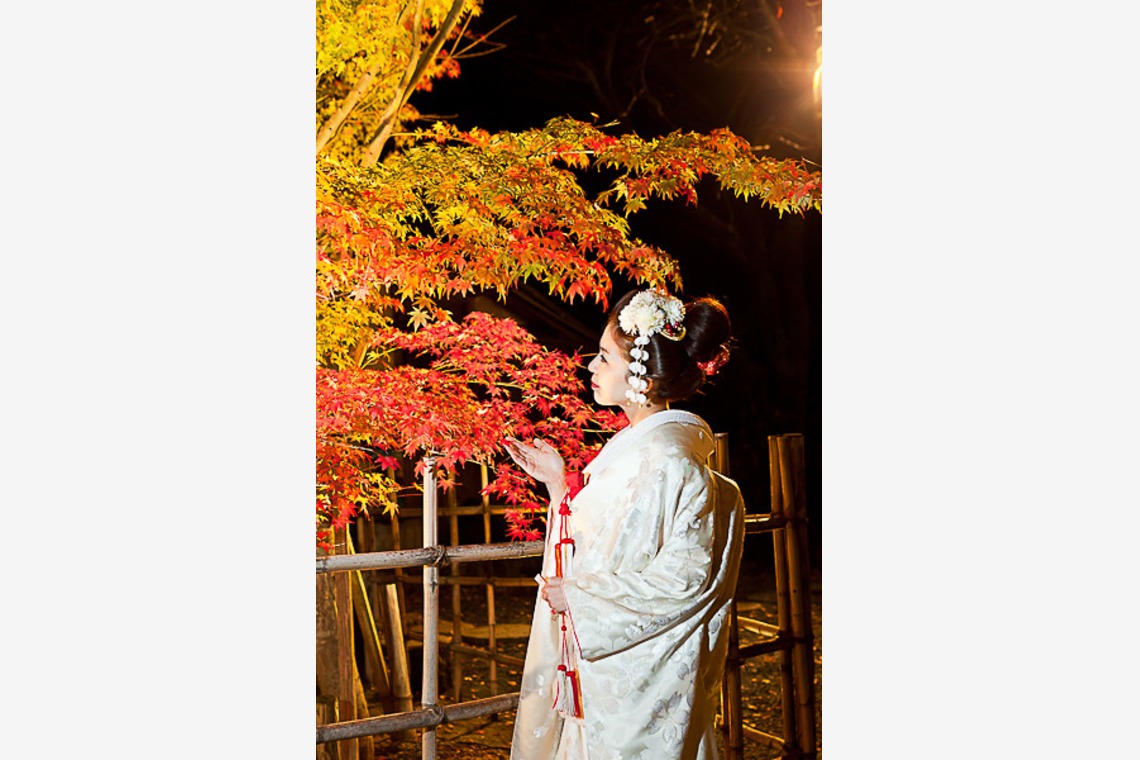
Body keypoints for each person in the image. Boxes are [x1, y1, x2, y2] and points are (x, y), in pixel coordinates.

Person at [504, 287, 746, 760]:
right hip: (604, 670)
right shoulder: (637, 453)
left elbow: (685, 582)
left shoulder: (666, 461)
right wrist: (559, 488)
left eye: (604, 358)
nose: (591, 368)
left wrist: (579, 595)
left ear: (640, 376)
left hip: (631, 682)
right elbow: (605, 545)